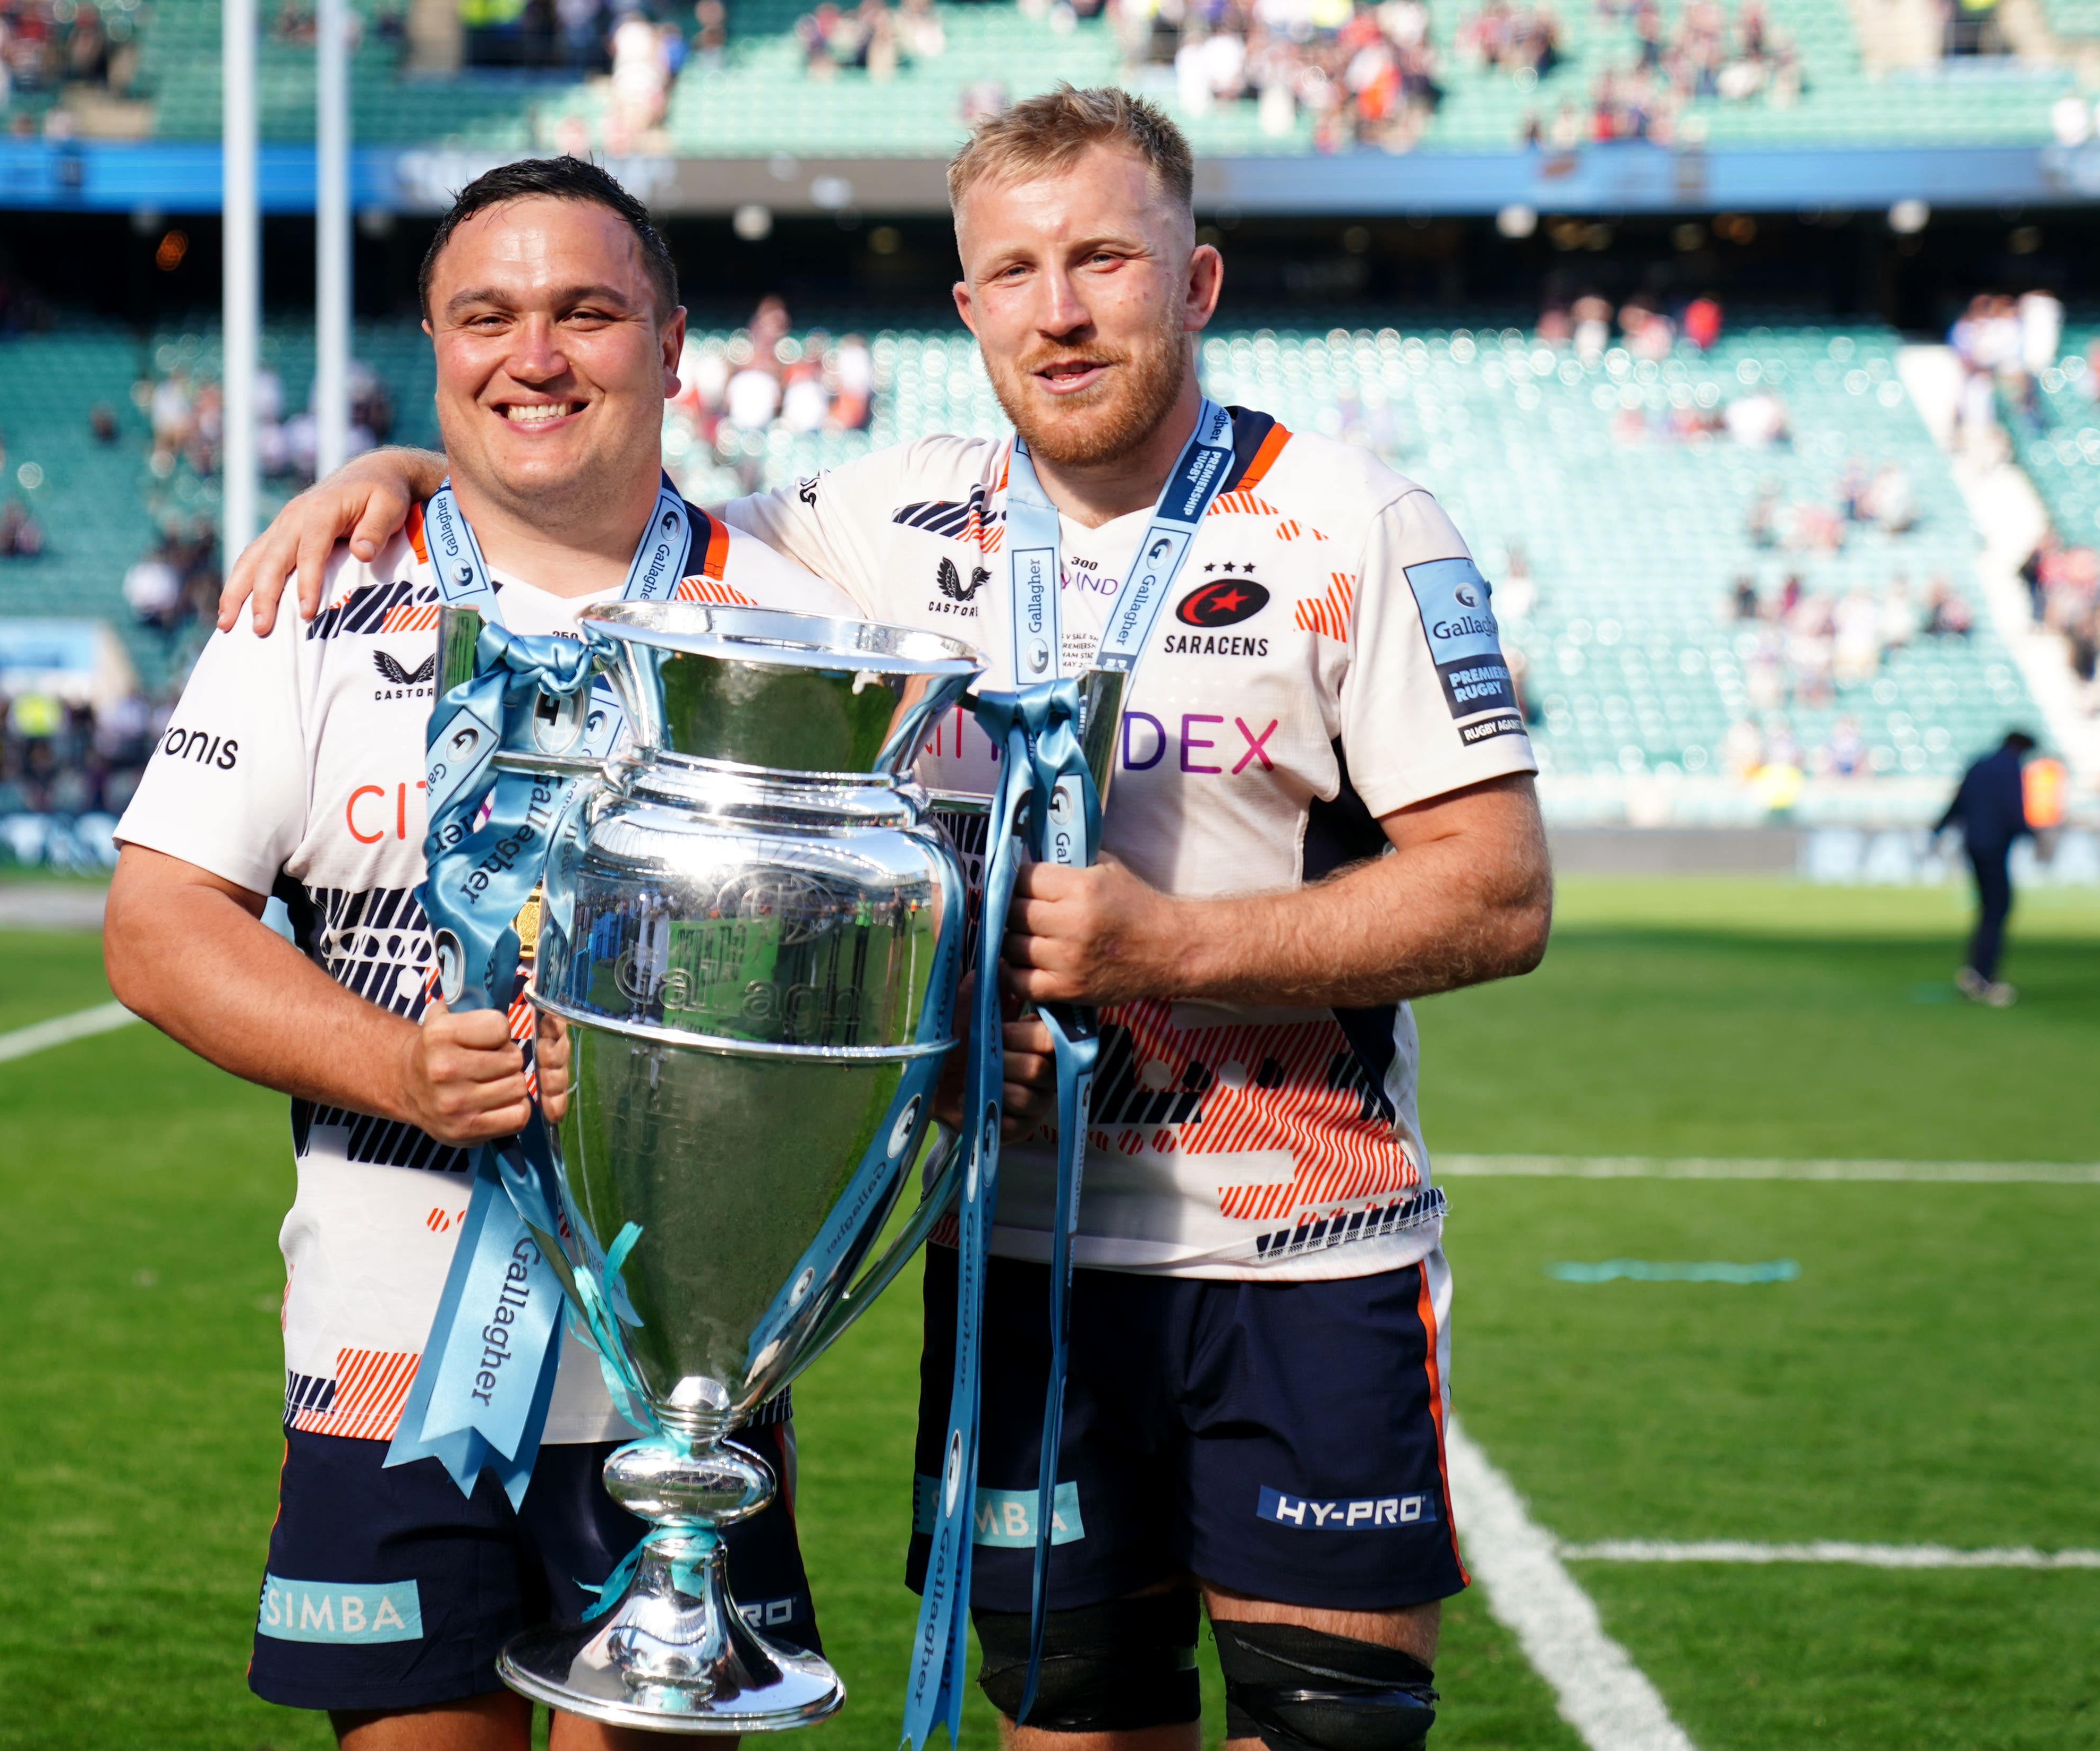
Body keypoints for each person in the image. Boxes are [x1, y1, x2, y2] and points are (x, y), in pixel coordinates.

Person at [223, 90, 1551, 1751]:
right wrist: (410, 465)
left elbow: (1496, 894)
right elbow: (582, 499)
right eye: (1013, 271)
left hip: (1296, 1248)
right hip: (1007, 1258)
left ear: (1194, 282)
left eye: (1102, 264)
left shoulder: (1355, 526)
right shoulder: (868, 532)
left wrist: (1171, 947)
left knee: (1338, 1720)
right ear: (968, 308)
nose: (1058, 310)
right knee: (1073, 1706)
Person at [100, 157, 865, 1751]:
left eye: (586, 311)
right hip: (386, 1378)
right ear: (437, 349)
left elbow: (864, 969)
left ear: (670, 341)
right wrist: (394, 1064)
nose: (535, 354)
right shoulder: (314, 597)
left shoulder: (791, 624)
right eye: (487, 316)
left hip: (683, 1393)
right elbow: (157, 928)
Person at [1934, 729, 2037, 1006]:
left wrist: (1939, 829)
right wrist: (2033, 835)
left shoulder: (1980, 763)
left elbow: (1959, 800)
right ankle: (1984, 977)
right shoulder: (2010, 767)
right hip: (1994, 846)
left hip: (1974, 844)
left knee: (1988, 908)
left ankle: (1974, 971)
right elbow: (2013, 808)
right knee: (1998, 908)